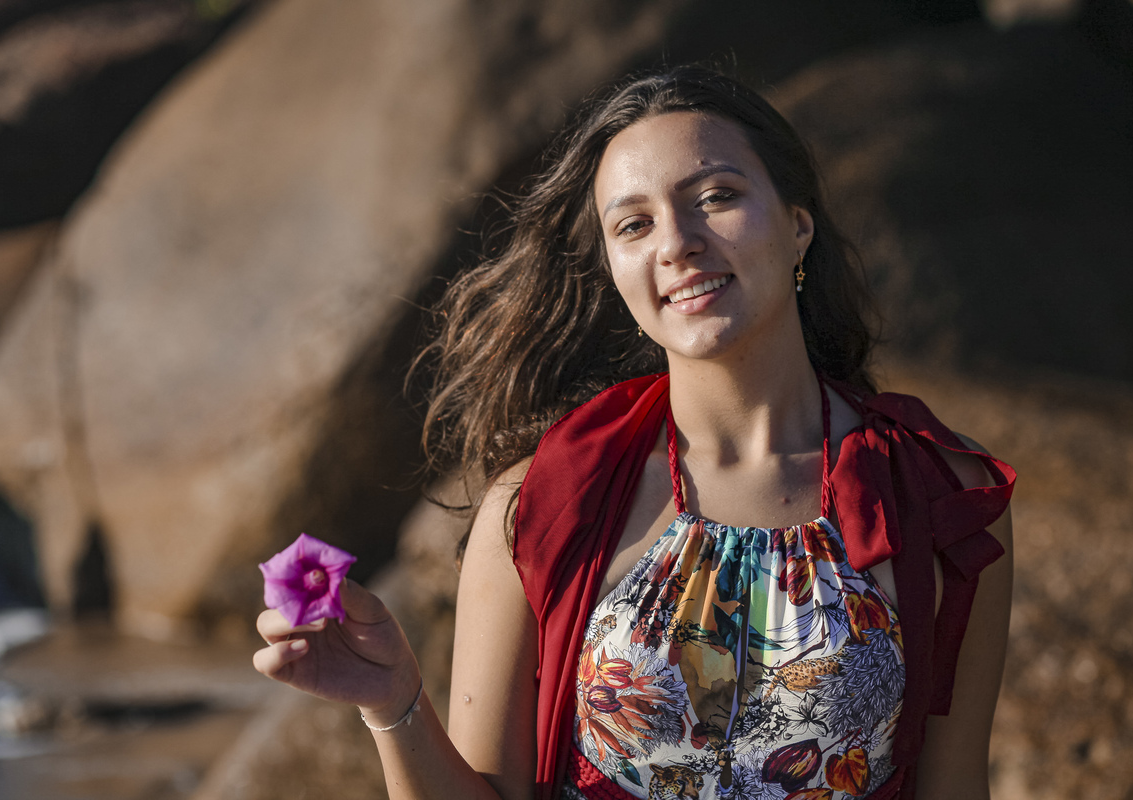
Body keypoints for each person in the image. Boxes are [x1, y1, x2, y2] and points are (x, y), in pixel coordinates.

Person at [254, 66, 1015, 800]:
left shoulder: (944, 497)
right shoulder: (539, 506)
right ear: (617, 268)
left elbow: (953, 787)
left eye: (716, 196)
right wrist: (396, 704)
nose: (677, 242)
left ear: (798, 225)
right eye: (635, 223)